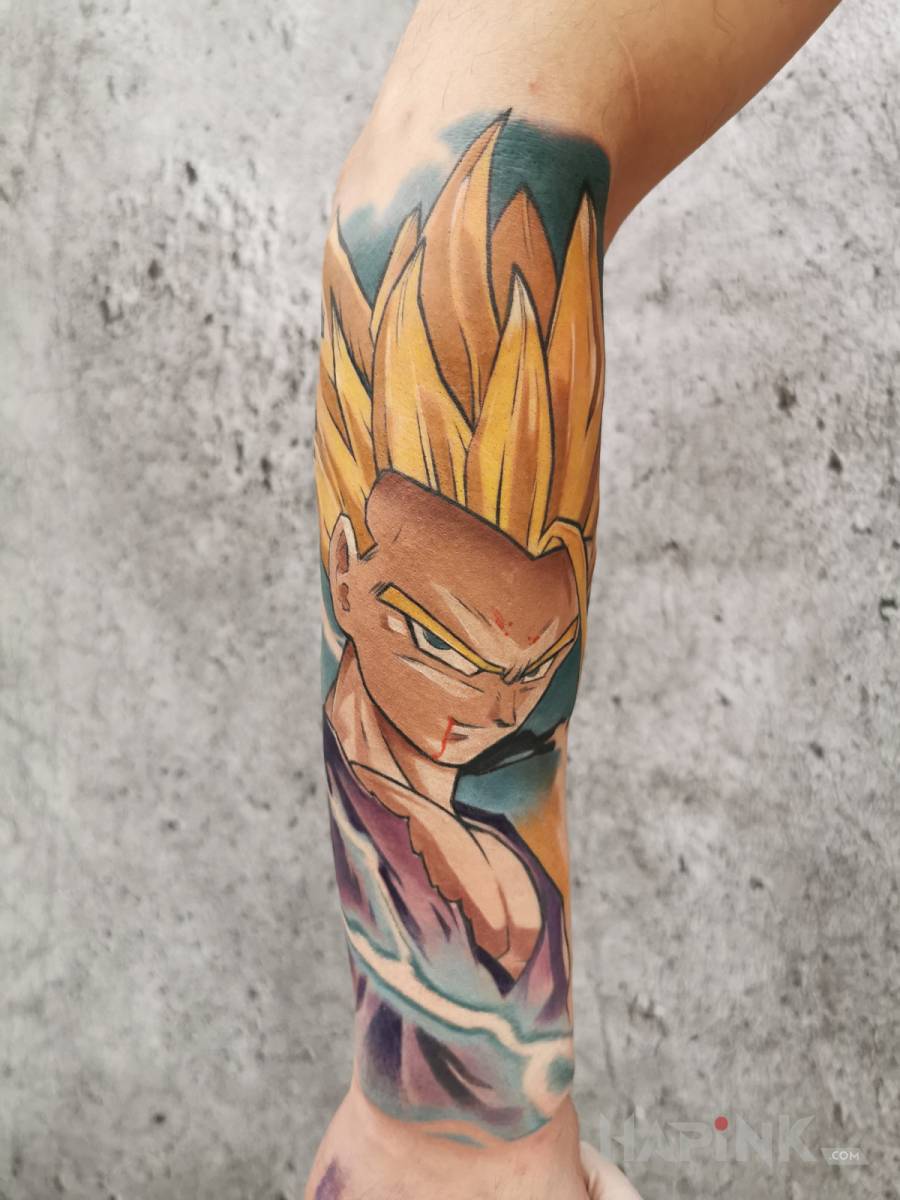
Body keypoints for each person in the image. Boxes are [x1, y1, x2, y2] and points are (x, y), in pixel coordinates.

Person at [306, 1, 841, 1196]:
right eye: (438, 642)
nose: (490, 709)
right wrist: (448, 1140)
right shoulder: (409, 845)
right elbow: (474, 157)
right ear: (350, 566)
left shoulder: (456, 833)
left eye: (526, 672)